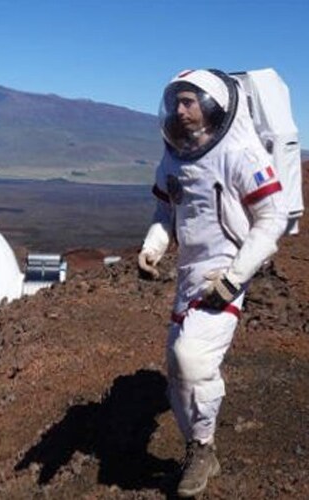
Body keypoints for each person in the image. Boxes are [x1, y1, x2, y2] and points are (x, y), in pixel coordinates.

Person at [138, 69, 288, 497]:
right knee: (176, 368)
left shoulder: (240, 153)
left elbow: (271, 218)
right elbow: (166, 212)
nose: (182, 110)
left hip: (224, 268)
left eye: (191, 102)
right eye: (177, 102)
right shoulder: (173, 158)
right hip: (189, 273)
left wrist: (234, 278)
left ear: (212, 107)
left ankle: (202, 449)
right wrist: (153, 247)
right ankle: (198, 445)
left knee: (193, 358)